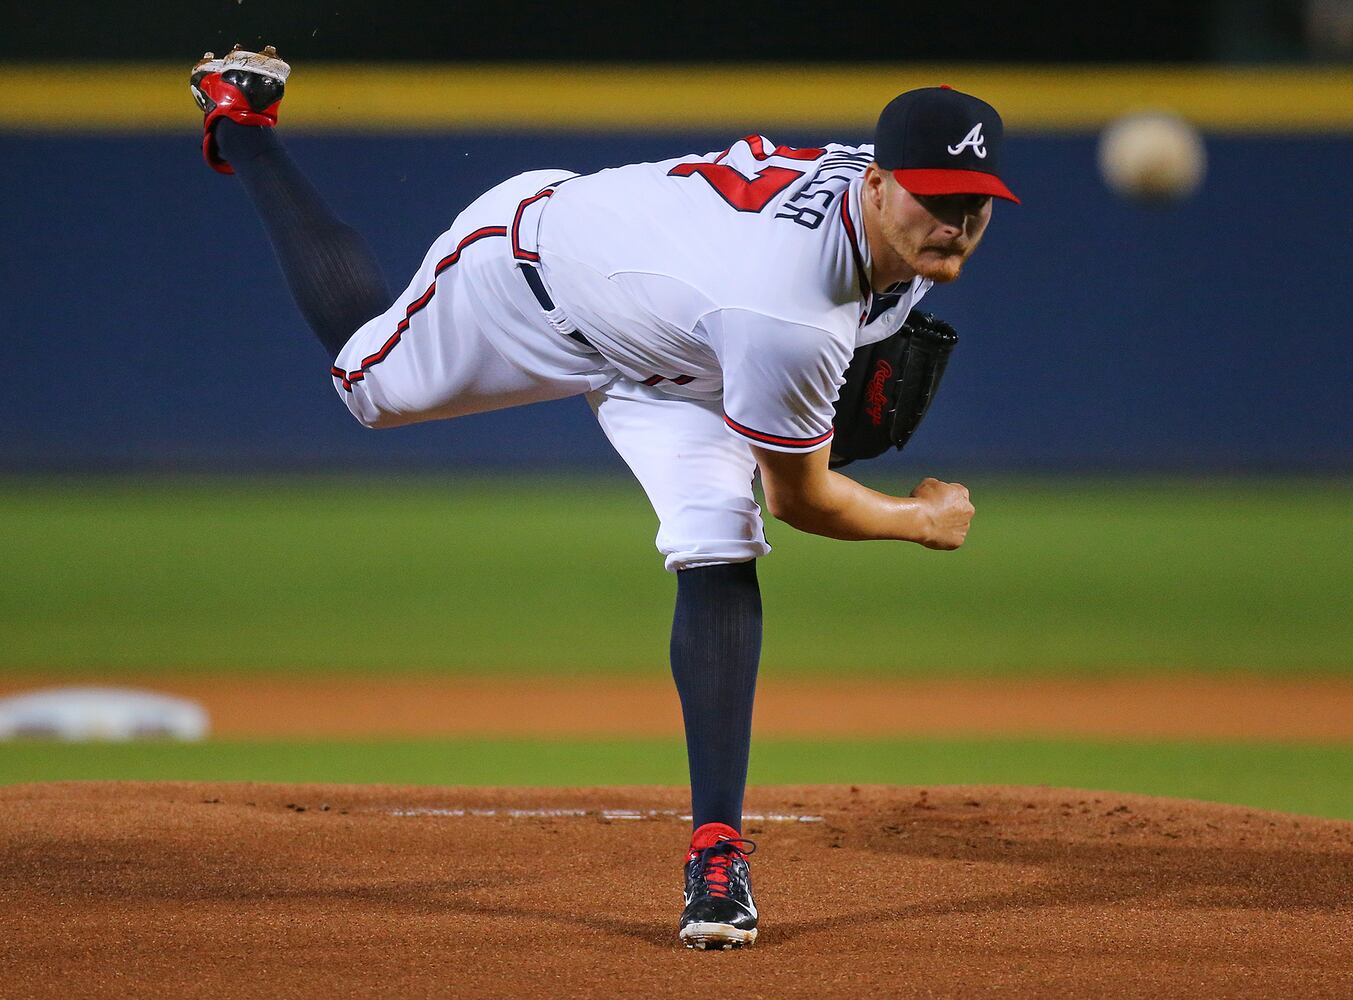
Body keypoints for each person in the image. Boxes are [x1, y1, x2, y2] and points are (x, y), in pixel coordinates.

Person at [189, 46, 1015, 950]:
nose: (954, 221)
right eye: (934, 198)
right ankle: (245, 121)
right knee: (365, 385)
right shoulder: (788, 313)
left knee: (717, 537)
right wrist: (919, 520)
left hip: (687, 353)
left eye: (973, 202)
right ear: (878, 183)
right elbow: (804, 501)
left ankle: (716, 856)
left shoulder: (866, 232)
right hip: (531, 279)